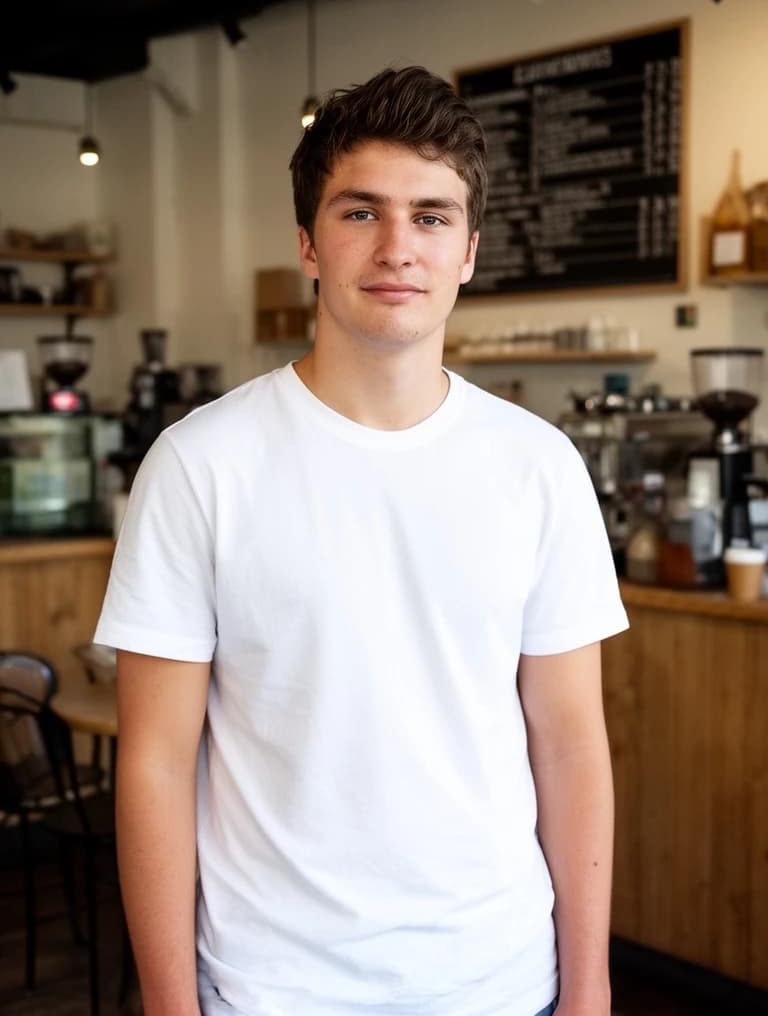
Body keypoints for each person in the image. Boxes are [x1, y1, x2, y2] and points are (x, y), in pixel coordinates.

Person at [95, 66, 628, 1016]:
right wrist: (170, 1005)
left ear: (468, 250)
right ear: (307, 242)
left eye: (431, 216)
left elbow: (570, 739)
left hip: (500, 980)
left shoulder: (538, 466)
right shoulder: (198, 464)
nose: (397, 248)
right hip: (269, 987)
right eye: (360, 213)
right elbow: (155, 762)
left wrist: (588, 985)